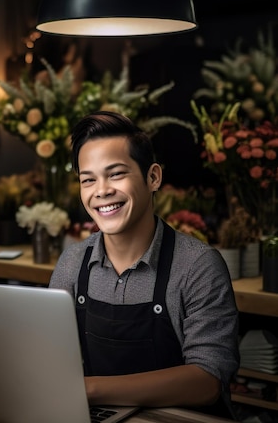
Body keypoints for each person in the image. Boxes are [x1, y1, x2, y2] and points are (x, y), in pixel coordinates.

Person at [49, 111, 239, 417]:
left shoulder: (198, 266)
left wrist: (88, 389)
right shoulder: (72, 263)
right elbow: (52, 358)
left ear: (153, 177)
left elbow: (207, 380)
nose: (101, 191)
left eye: (116, 174)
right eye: (88, 180)